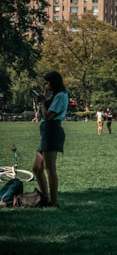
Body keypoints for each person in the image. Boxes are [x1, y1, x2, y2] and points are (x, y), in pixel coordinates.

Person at [33, 71, 68, 207]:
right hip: (46, 133)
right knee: (37, 168)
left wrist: (42, 103)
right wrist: (44, 100)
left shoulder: (61, 96)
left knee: (49, 168)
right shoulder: (55, 96)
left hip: (52, 132)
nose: (45, 85)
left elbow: (48, 116)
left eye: (47, 82)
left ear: (54, 82)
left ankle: (53, 201)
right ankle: (45, 197)